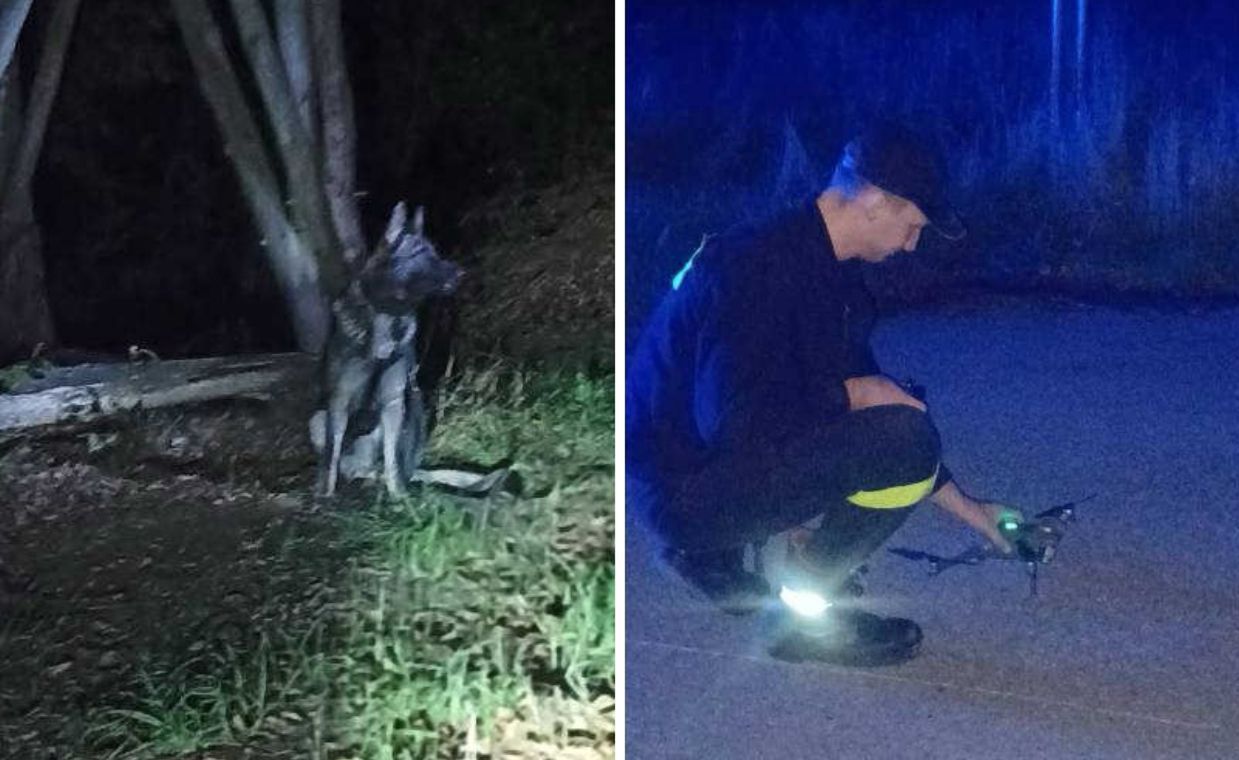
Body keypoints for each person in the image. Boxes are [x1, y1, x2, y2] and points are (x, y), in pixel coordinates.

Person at [626, 120, 1019, 664]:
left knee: (893, 428)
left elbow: (873, 407)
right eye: (913, 225)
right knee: (903, 442)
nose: (912, 243)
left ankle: (710, 553)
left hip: (686, 468)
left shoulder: (816, 264)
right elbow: (740, 418)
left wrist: (974, 512)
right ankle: (801, 619)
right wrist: (851, 394)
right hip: (679, 490)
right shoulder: (758, 269)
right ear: (877, 201)